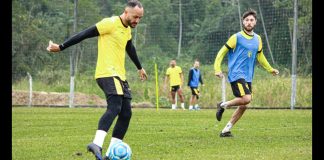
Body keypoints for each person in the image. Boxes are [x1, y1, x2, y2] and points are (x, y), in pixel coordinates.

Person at [46, 1, 147, 159]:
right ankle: (96, 143)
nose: (137, 21)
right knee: (115, 106)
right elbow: (85, 34)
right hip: (106, 73)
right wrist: (61, 46)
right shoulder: (110, 23)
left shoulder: (127, 30)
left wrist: (139, 67)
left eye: (140, 18)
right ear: (126, 12)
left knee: (126, 112)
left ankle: (110, 154)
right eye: (135, 17)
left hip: (120, 75)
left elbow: (130, 47)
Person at [213, 8, 279, 137]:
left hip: (248, 76)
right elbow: (221, 52)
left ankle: (226, 130)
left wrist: (270, 69)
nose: (249, 22)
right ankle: (222, 105)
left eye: (251, 20)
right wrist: (217, 69)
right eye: (247, 20)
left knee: (244, 105)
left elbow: (260, 56)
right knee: (246, 98)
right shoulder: (236, 37)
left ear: (255, 23)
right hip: (236, 74)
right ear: (243, 22)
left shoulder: (258, 39)